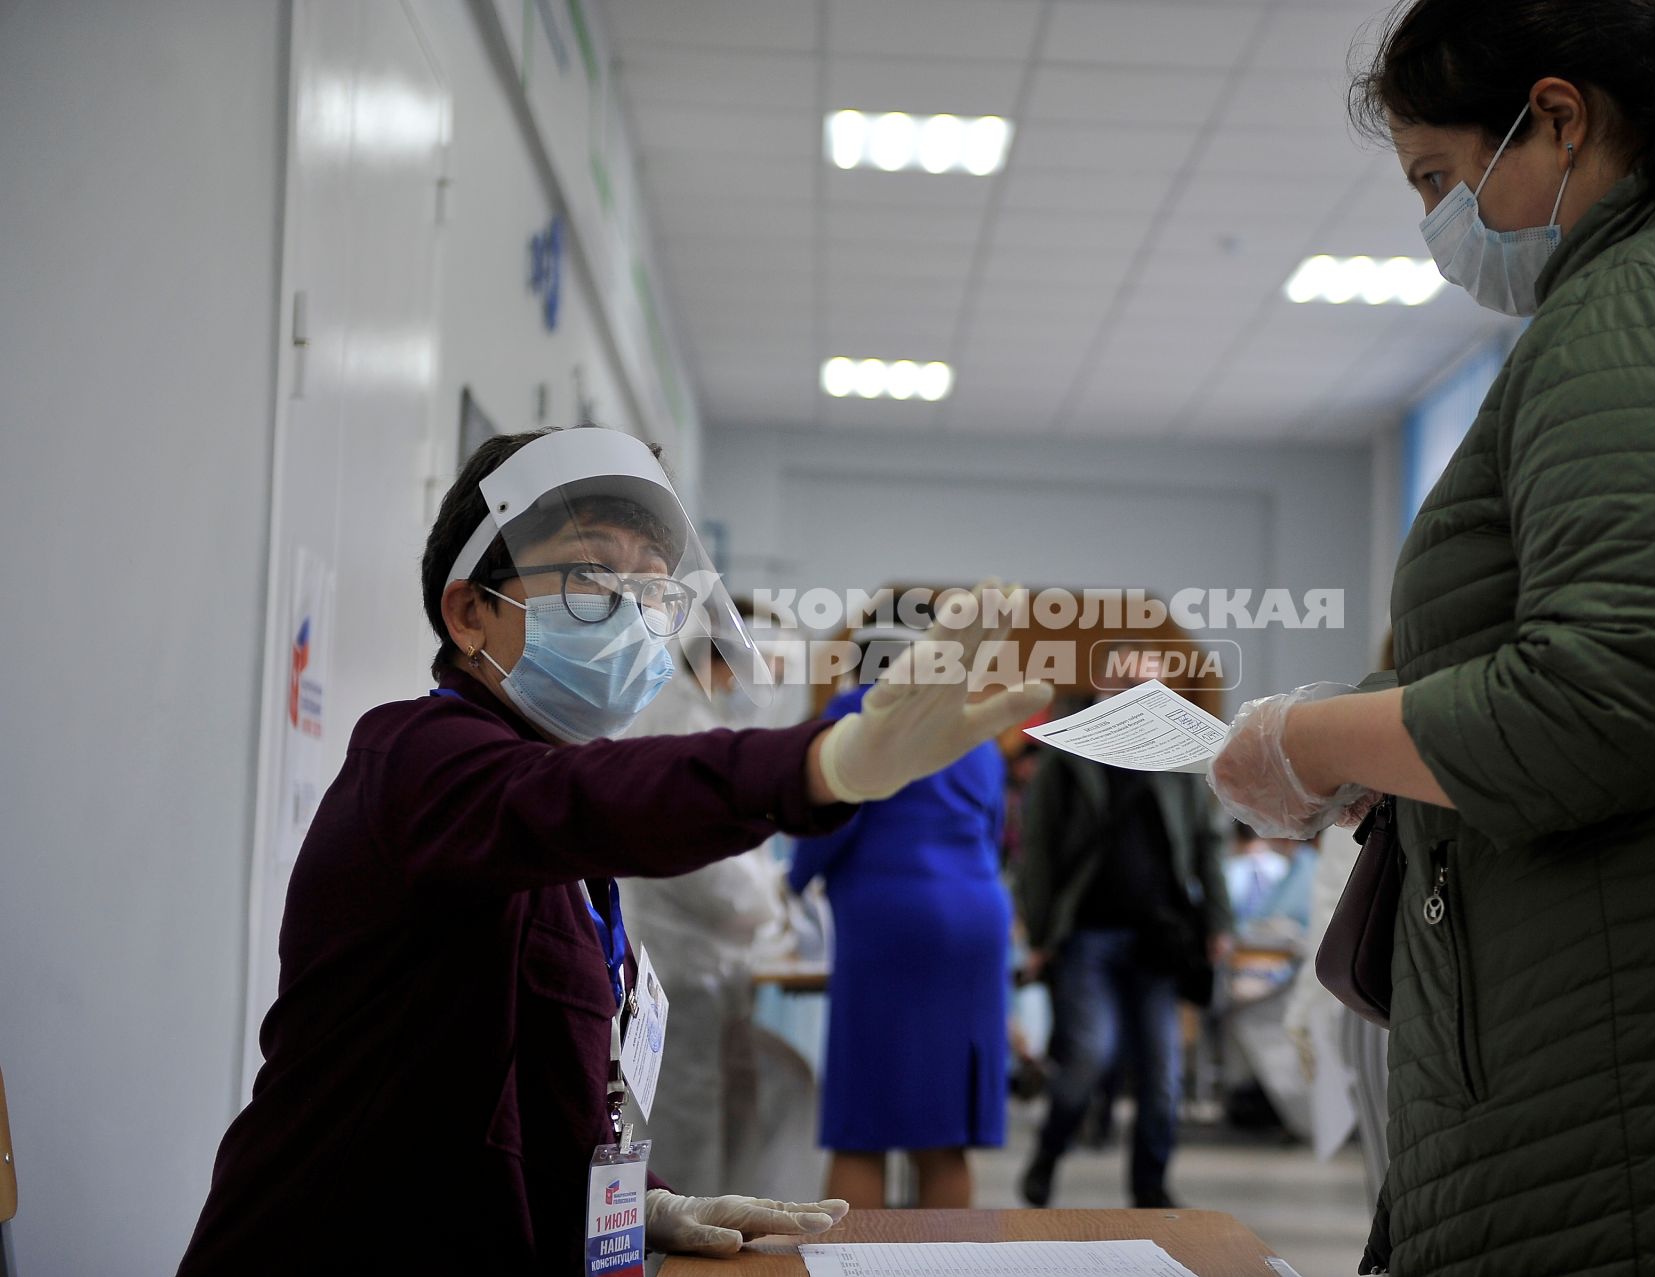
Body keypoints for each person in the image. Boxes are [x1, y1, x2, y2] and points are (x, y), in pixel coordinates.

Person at [1208, 1, 1655, 1271]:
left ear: (1557, 118)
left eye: (1438, 177)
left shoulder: (1650, 303)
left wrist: (1306, 738)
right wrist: (1384, 735)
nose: (1435, 222)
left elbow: (1608, 700)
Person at [179, 427, 1051, 1274]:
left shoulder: (559, 836)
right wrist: (825, 764)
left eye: (658, 590)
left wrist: (643, 1199)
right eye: (594, 573)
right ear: (470, 610)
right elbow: (592, 798)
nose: (635, 614)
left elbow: (556, 1084)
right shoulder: (418, 760)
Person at [786, 627, 1012, 1210]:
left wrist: (788, 884)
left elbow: (828, 815)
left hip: (893, 918)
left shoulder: (855, 714)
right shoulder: (973, 729)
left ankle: (852, 1266)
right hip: (977, 916)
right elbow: (990, 830)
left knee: (865, 1124)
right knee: (944, 1130)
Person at [1017, 666, 1232, 1210]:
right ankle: (1048, 1153)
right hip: (1086, 935)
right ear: (1104, 684)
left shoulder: (1179, 756)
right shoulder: (1066, 752)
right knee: (1089, 1057)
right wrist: (1039, 933)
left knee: (1162, 1074)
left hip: (1159, 937)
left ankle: (1150, 1187)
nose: (1142, 689)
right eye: (1129, 678)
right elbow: (1037, 847)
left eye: (1152, 682)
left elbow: (1207, 841)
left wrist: (1219, 921)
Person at [615, 630, 789, 1199]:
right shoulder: (679, 724)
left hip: (704, 958)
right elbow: (702, 861)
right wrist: (765, 906)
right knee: (681, 1118)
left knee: (717, 1107)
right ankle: (677, 1252)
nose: (774, 686)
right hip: (682, 959)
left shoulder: (696, 720)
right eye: (772, 670)